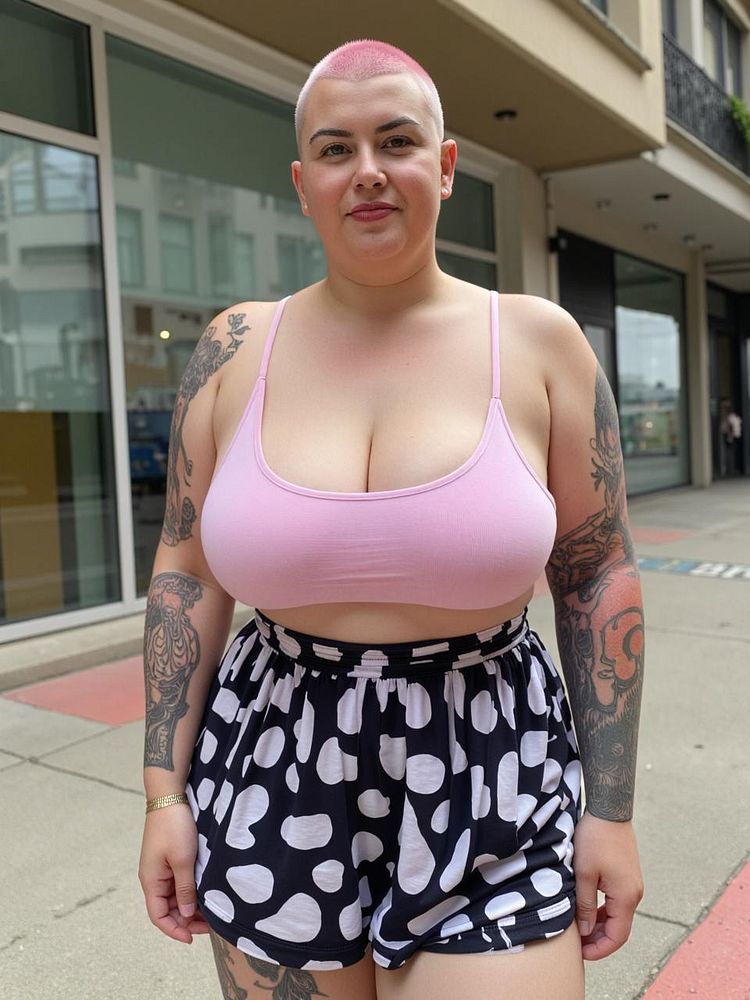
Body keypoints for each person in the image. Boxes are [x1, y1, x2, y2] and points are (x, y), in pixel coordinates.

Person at [138, 38, 645, 1000]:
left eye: (397, 141)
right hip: (274, 763)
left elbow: (596, 573)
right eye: (336, 149)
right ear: (303, 183)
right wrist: (164, 795)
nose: (367, 171)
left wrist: (610, 811)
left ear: (445, 167)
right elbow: (186, 570)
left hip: (493, 762)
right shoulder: (233, 347)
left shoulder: (540, 343)